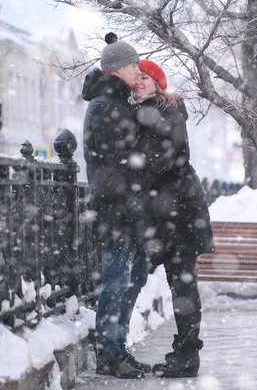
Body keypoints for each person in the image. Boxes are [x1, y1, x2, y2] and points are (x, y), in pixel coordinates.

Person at [132, 59, 215, 378]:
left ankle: (187, 356)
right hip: (174, 209)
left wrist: (134, 167)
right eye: (135, 78)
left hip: (179, 211)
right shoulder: (156, 110)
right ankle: (184, 351)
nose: (138, 82)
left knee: (182, 284)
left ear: (156, 83)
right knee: (180, 282)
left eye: (144, 78)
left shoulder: (167, 110)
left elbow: (162, 157)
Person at [82, 32, 151, 379]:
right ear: (118, 69)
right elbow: (114, 165)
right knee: (116, 282)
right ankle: (109, 355)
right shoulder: (107, 106)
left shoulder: (118, 102)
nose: (138, 69)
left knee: (131, 278)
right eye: (134, 64)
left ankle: (117, 347)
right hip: (116, 209)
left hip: (126, 207)